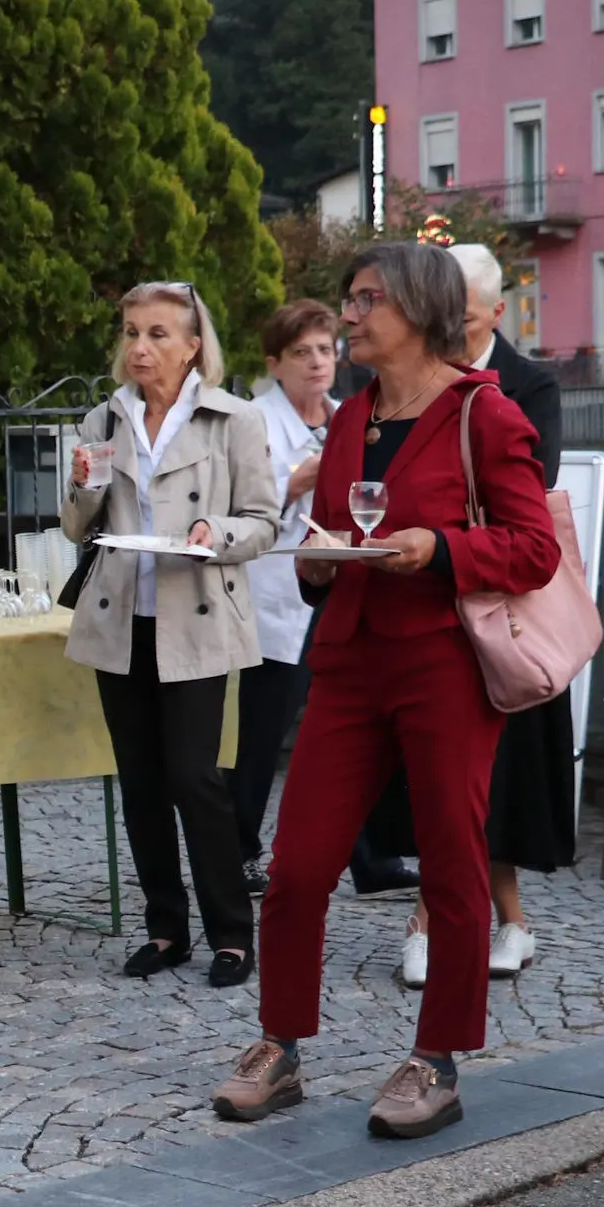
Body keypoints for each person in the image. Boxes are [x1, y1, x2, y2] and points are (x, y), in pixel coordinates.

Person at [210, 243, 560, 1139]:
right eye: (349, 299)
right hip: (352, 661)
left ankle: (437, 1058)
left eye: (367, 301)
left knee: (451, 862)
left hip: (445, 661)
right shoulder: (351, 418)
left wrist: (438, 547)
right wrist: (323, 563)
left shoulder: (486, 415)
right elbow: (329, 540)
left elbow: (533, 549)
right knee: (295, 869)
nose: (349, 316)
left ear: (419, 309)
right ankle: (279, 1045)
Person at [60, 282, 282, 984]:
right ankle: (164, 930)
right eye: (131, 332)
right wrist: (84, 486)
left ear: (193, 346)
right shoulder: (105, 417)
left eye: (158, 334)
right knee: (141, 782)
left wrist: (215, 531)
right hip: (121, 619)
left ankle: (230, 932)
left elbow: (264, 522)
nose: (139, 348)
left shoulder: (233, 420)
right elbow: (75, 527)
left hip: (199, 615)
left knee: (195, 775)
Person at [390, 242, 575, 990]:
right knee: (448, 777)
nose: (447, 333)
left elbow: (527, 496)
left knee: (493, 778)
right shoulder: (411, 381)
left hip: (504, 609)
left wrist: (439, 523)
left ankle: (467, 920)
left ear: (496, 313)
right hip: (435, 600)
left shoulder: (530, 385)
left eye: (461, 320)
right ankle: (480, 919)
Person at [235, 300, 337, 896]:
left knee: (353, 722)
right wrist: (295, 482)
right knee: (262, 729)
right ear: (275, 363)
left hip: (338, 586)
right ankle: (242, 847)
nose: (317, 362)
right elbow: (238, 506)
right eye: (302, 352)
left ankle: (369, 855)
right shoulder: (255, 421)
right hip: (273, 593)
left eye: (325, 349)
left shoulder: (350, 416)